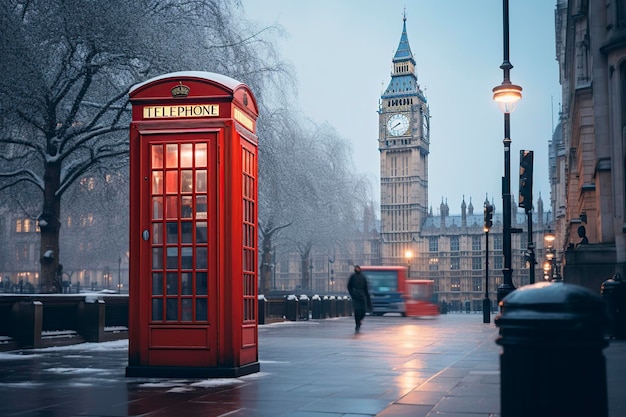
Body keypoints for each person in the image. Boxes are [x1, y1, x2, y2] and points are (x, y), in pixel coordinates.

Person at [347, 265, 372, 332]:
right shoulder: (352, 276)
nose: (357, 269)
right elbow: (349, 286)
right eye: (356, 268)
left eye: (358, 268)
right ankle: (357, 324)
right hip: (355, 296)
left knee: (363, 311)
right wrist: (352, 293)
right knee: (357, 311)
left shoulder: (363, 277)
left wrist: (367, 297)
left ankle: (360, 320)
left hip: (362, 295)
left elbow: (366, 288)